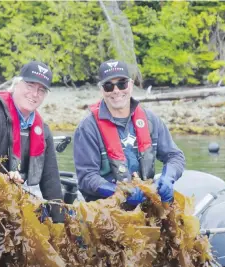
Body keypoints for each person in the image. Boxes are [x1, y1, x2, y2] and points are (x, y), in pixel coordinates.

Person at [73, 59, 185, 205]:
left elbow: (175, 156)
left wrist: (168, 177)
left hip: (146, 204)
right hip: (106, 211)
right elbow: (87, 177)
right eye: (108, 86)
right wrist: (119, 192)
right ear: (102, 90)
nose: (116, 91)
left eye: (122, 84)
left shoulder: (150, 120)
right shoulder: (87, 128)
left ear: (131, 85)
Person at [0, 61, 64, 221]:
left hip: (14, 203)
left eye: (41, 90)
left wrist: (60, 224)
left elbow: (51, 182)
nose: (35, 94)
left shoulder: (43, 130)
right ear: (16, 84)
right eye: (30, 85)